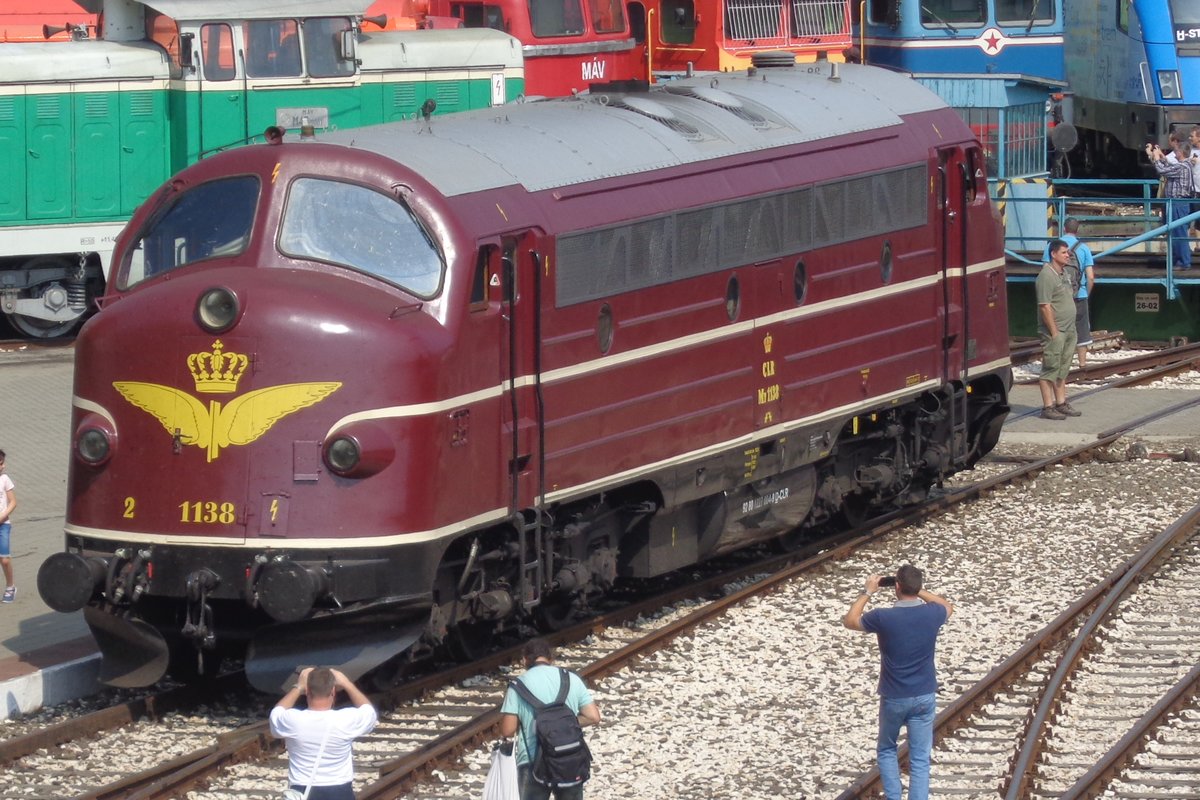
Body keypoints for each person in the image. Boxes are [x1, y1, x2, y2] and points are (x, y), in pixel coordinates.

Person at [843, 565, 953, 800]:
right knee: (920, 757)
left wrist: (868, 592)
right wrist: (919, 590)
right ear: (916, 587)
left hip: (894, 696)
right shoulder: (932, 614)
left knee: (886, 749)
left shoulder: (883, 617)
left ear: (896, 586)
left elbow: (850, 620)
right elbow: (947, 606)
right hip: (925, 694)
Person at [500, 638, 601, 800]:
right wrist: (565, 725)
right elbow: (593, 716)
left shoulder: (518, 686)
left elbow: (507, 730)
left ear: (525, 660)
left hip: (532, 761)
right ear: (550, 658)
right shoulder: (571, 678)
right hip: (569, 756)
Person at [270, 667, 378, 800]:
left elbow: (276, 713)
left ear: (307, 691)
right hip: (339, 791)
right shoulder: (346, 719)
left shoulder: (292, 720)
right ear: (333, 691)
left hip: (302, 791)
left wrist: (298, 687)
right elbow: (369, 712)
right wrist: (347, 684)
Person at [1036, 239, 1081, 420]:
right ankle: (1047, 407)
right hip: (1056, 331)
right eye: (1064, 252)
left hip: (1069, 329)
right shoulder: (1046, 276)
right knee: (1051, 367)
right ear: (1053, 254)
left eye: (1068, 252)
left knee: (1063, 368)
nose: (1068, 255)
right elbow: (1045, 306)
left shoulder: (1064, 274)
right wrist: (1054, 332)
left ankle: (1061, 403)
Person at [1042, 219, 1095, 367]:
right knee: (1082, 330)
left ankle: (1058, 362)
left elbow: (1047, 271)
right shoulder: (1084, 248)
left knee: (1057, 327)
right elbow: (1091, 277)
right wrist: (1085, 293)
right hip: (1079, 295)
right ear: (1077, 230)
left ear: (1063, 229)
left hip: (1058, 296)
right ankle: (1082, 364)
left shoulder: (1053, 247)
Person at [1147, 139, 1195, 269]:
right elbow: (1170, 167)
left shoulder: (1182, 166)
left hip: (1178, 203)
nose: (1175, 153)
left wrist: (1156, 159)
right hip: (1176, 203)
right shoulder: (1184, 165)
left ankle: (1184, 262)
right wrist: (1162, 157)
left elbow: (1164, 171)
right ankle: (1178, 259)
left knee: (1179, 232)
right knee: (1175, 232)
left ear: (1180, 152)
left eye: (1176, 151)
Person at [0, 449, 15, 603]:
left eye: (2, 463)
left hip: (3, 525)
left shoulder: (4, 479)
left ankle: (10, 586)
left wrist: (3, 515)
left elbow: (13, 502)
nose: (2, 466)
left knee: (4, 560)